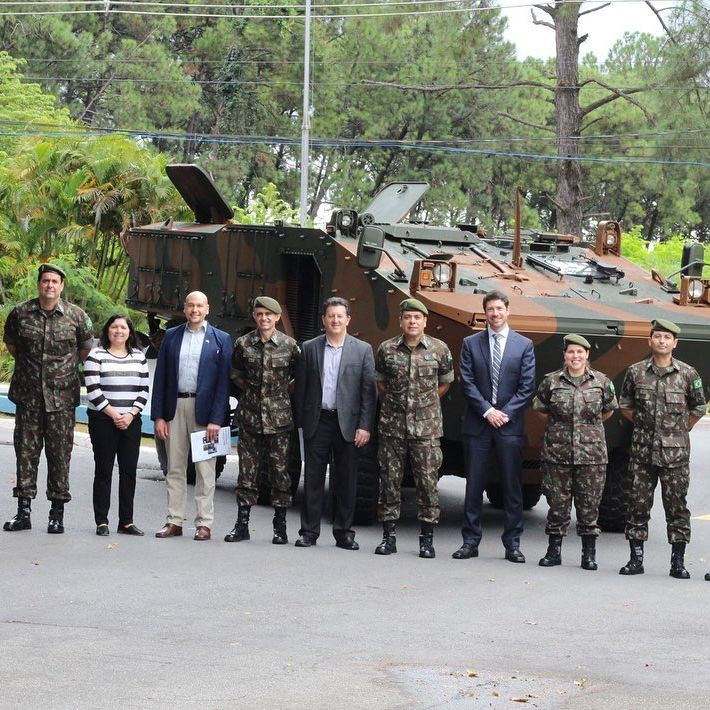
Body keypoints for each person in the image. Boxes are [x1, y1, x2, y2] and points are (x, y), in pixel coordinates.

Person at [3, 264, 94, 534]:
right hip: (29, 397)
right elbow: (12, 345)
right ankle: (24, 512)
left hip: (62, 399)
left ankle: (57, 514)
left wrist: (60, 371)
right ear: (39, 284)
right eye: (45, 281)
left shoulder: (76, 316)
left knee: (59, 456)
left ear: (62, 286)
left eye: (54, 281)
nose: (50, 286)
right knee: (26, 455)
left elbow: (85, 347)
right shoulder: (20, 313)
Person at [618, 318, 706, 579]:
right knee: (637, 505)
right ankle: (636, 559)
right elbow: (626, 404)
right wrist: (648, 428)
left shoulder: (688, 374)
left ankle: (677, 562)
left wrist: (678, 431)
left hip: (675, 455)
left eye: (667, 338)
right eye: (657, 337)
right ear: (650, 341)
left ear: (675, 343)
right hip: (643, 452)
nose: (662, 341)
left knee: (677, 507)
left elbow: (698, 407)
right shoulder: (635, 372)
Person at [454, 289, 535, 562]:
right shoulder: (470, 343)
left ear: (508, 310)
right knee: (474, 486)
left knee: (512, 487)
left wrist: (504, 413)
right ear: (485, 313)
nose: (495, 314)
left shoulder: (523, 345)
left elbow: (526, 387)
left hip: (509, 428)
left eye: (499, 309)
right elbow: (466, 381)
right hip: (478, 425)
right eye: (490, 309)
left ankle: (512, 544)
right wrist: (488, 411)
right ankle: (470, 541)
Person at [293, 297, 376, 550]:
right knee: (314, 479)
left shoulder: (362, 350)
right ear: (324, 320)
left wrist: (365, 426)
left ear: (348, 319)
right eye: (331, 316)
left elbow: (367, 393)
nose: (336, 320)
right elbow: (301, 389)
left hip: (348, 424)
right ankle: (309, 531)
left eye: (340, 316)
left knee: (346, 480)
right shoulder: (309, 348)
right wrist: (301, 423)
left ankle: (344, 533)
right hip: (317, 421)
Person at [374, 298, 454, 558]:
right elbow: (381, 383)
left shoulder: (439, 349)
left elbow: (445, 382)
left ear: (425, 322)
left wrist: (423, 404)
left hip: (427, 429)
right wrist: (401, 405)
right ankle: (389, 537)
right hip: (393, 427)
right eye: (407, 317)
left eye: (417, 318)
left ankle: (427, 539)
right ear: (400, 321)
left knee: (427, 482)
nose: (412, 322)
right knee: (389, 481)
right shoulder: (386, 349)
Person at [151, 291, 232, 541]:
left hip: (205, 413)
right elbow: (161, 377)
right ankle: (174, 520)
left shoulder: (221, 339)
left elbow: (223, 384)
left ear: (208, 309)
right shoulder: (172, 336)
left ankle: (204, 523)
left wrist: (217, 419)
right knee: (174, 467)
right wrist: (159, 416)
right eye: (190, 305)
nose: (195, 310)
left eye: (199, 305)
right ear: (184, 309)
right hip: (175, 407)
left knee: (205, 470)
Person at [532, 334, 617, 570]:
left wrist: (587, 427)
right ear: (565, 355)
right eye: (571, 352)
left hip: (591, 456)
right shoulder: (551, 381)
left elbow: (609, 409)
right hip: (557, 453)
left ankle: (588, 554)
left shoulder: (600, 381)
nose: (575, 356)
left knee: (589, 505)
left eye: (580, 352)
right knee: (557, 504)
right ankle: (553, 551)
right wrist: (560, 426)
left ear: (587, 355)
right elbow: (540, 408)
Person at [224, 296, 300, 544]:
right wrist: (254, 392)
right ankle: (242, 524)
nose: (264, 318)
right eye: (259, 314)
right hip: (250, 417)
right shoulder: (244, 344)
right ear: (255, 317)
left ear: (277, 317)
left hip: (279, 420)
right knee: (247, 473)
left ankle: (280, 527)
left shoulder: (290, 346)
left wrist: (277, 394)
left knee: (280, 474)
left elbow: (298, 377)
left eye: (269, 314)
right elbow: (235, 374)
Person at [84, 314, 150, 536]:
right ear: (108, 330)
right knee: (104, 470)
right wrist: (115, 415)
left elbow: (144, 390)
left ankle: (126, 521)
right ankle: (102, 521)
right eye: (114, 327)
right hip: (103, 420)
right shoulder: (96, 355)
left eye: (123, 327)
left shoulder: (139, 357)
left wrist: (130, 415)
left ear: (130, 332)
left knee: (129, 471)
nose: (119, 331)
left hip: (132, 421)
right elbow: (93, 390)